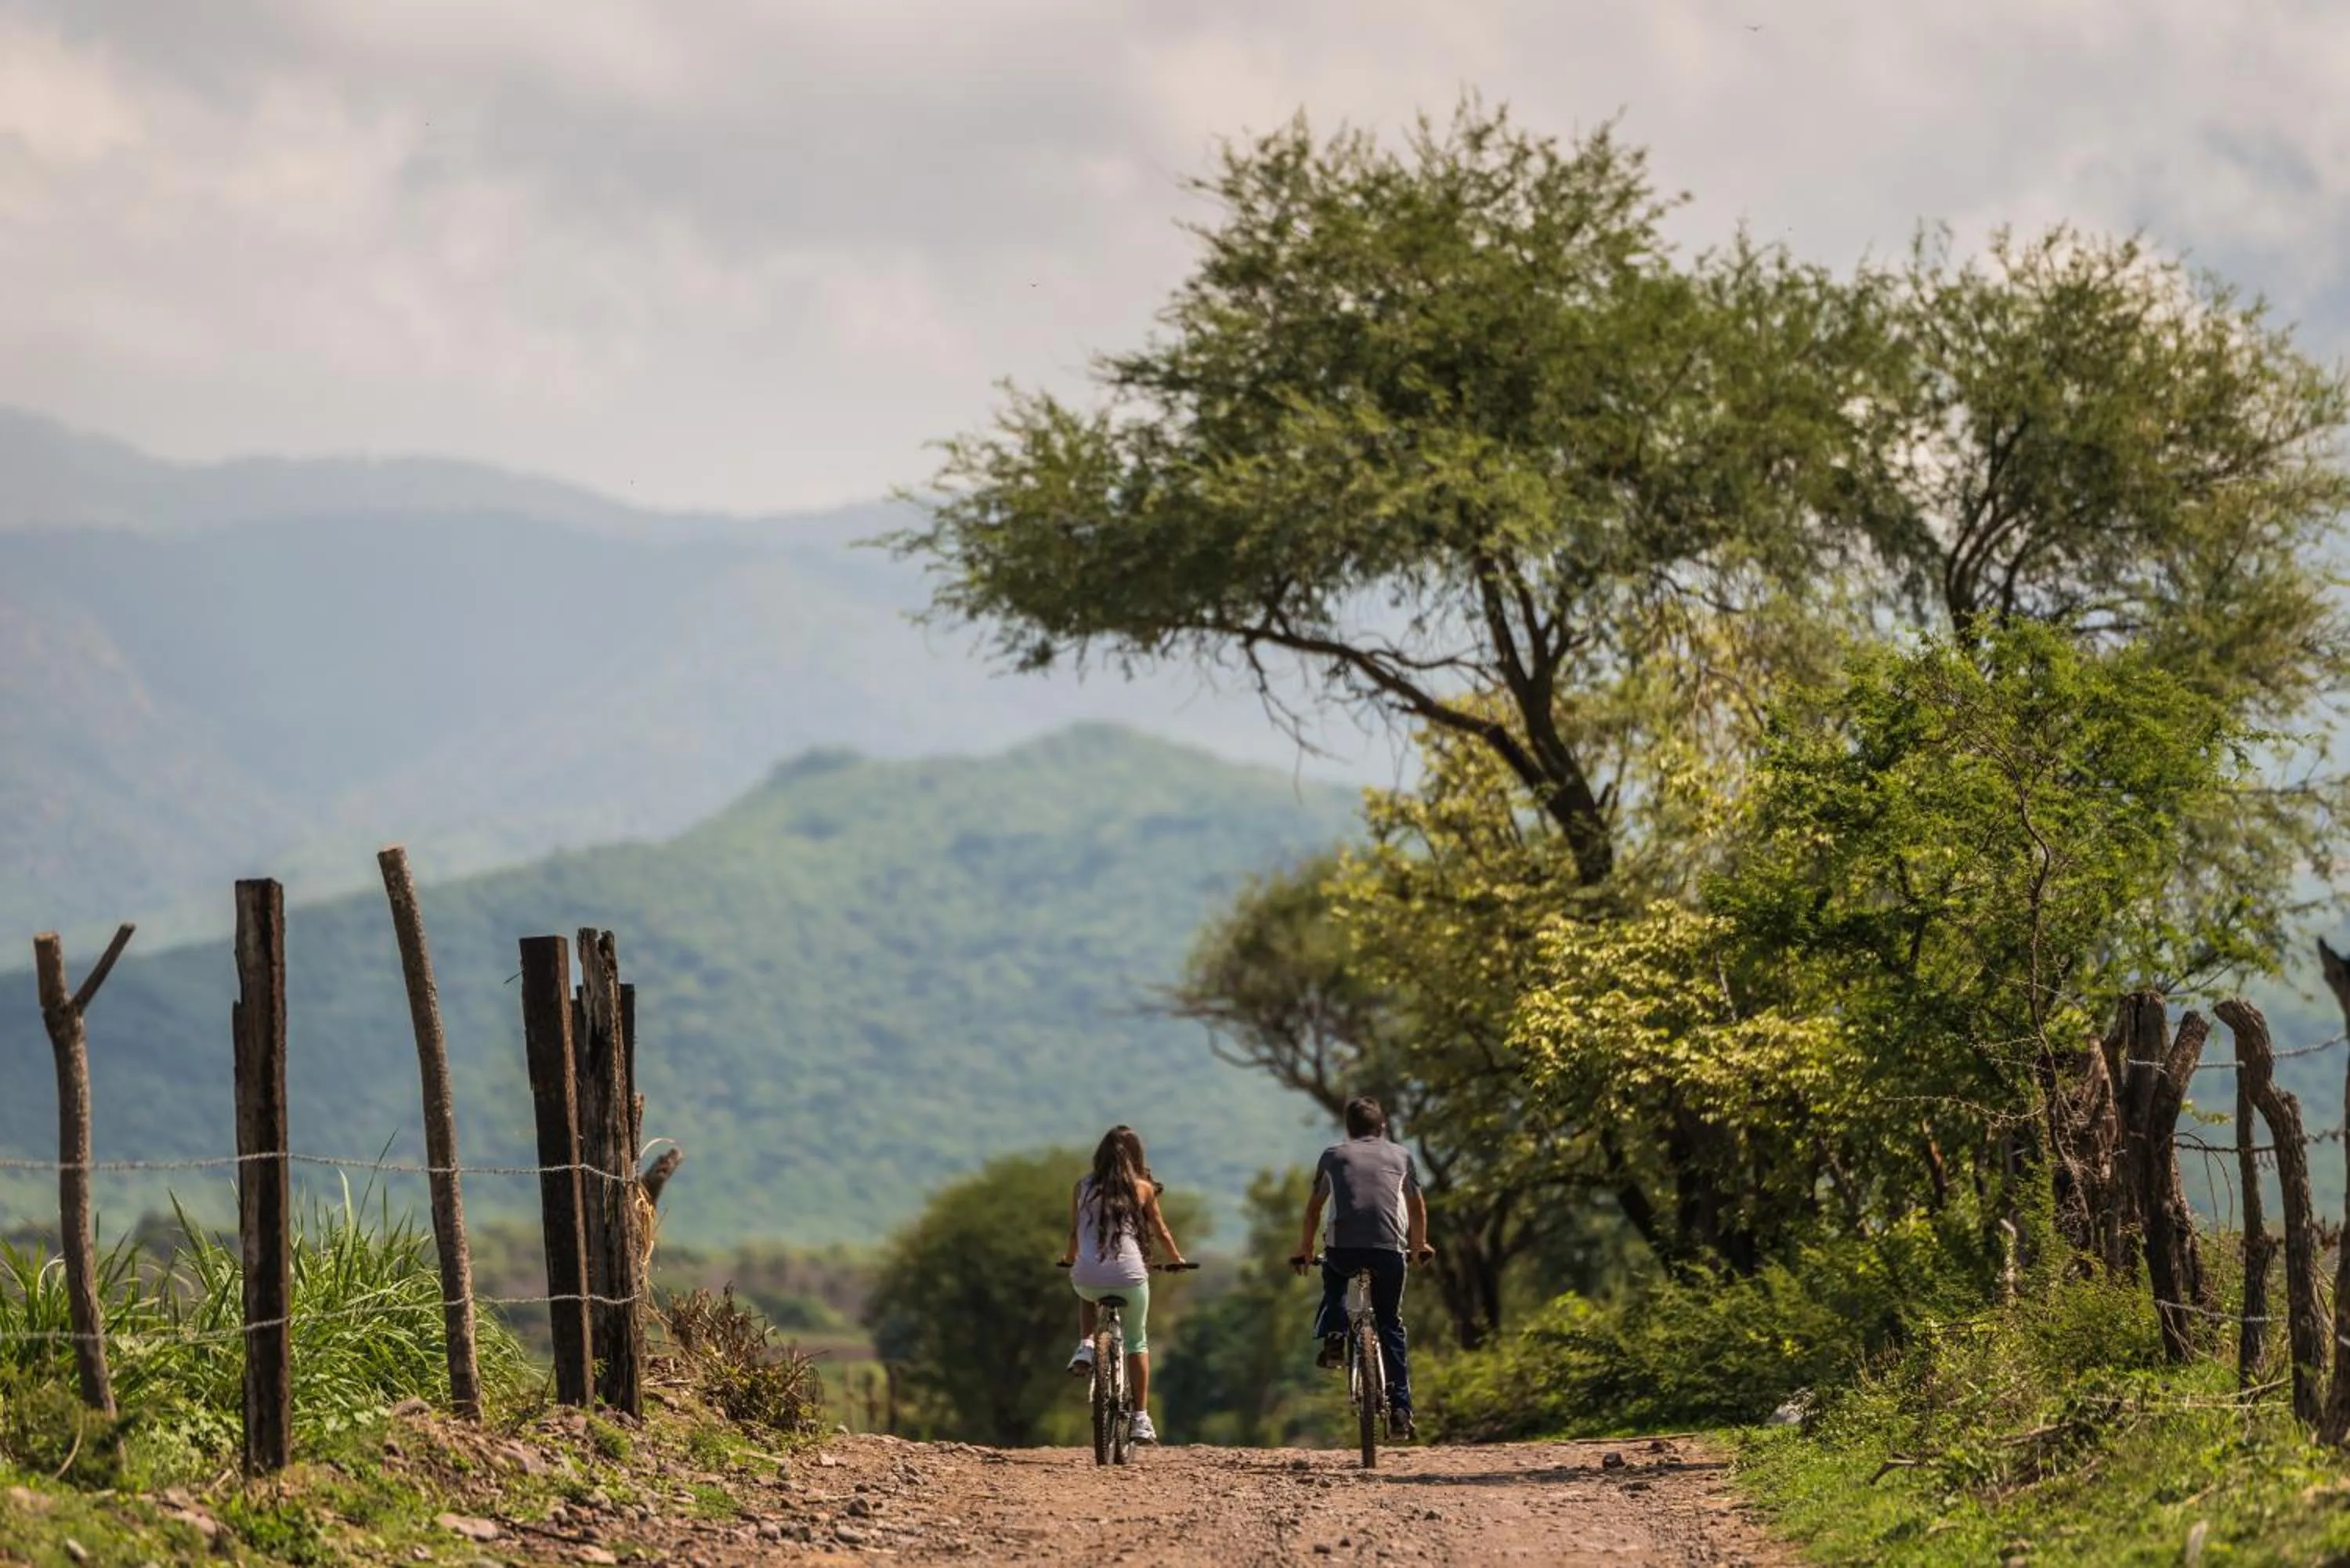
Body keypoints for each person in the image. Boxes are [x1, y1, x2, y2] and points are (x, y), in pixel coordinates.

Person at [1291, 1095, 1434, 1440]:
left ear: (1348, 1130)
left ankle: (1337, 1333)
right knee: (1390, 1325)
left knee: (1335, 1280)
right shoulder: (1402, 1156)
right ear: (1382, 1127)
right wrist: (1419, 1245)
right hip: (1389, 1251)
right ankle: (1401, 1410)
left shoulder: (1333, 1156)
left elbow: (1313, 1210)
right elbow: (1416, 1208)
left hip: (1343, 1250)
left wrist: (1305, 1250)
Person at [1060, 1125, 1189, 1444]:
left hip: (1087, 1278)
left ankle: (1086, 1345)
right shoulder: (1142, 1189)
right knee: (1136, 1343)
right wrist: (1177, 1259)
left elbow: (1075, 1233)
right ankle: (1141, 1420)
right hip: (1130, 1277)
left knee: (1086, 1287)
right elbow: (1160, 1231)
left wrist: (1069, 1258)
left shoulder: (1083, 1186)